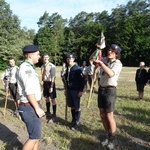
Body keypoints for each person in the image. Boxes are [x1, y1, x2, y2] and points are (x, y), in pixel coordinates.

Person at [93, 44, 122, 150]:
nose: (109, 52)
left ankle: (113, 138)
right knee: (102, 114)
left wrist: (101, 63)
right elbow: (92, 59)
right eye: (109, 50)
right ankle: (107, 134)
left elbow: (110, 73)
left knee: (109, 115)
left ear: (116, 54)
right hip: (101, 89)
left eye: (112, 51)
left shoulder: (117, 63)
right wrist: (98, 50)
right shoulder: (104, 59)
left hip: (110, 90)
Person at [17, 45, 45, 150]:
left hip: (32, 105)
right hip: (29, 107)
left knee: (36, 136)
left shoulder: (29, 67)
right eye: (37, 54)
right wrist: (37, 108)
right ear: (30, 55)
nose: (39, 56)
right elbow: (29, 92)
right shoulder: (26, 69)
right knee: (33, 137)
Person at [64, 54, 85, 130]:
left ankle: (77, 121)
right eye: (67, 59)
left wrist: (80, 91)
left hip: (76, 90)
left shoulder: (77, 69)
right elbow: (66, 80)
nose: (69, 60)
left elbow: (82, 81)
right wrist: (66, 90)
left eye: (70, 58)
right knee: (72, 106)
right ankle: (73, 120)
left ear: (73, 59)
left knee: (77, 107)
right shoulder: (67, 69)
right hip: (69, 90)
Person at [41, 52, 57, 122]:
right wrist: (42, 82)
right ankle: (48, 111)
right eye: (44, 57)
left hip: (51, 83)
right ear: (43, 58)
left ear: (49, 58)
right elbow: (42, 76)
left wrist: (51, 86)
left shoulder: (52, 66)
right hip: (45, 83)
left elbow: (53, 77)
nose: (45, 58)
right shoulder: (42, 66)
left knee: (52, 99)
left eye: (46, 57)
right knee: (46, 98)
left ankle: (54, 114)